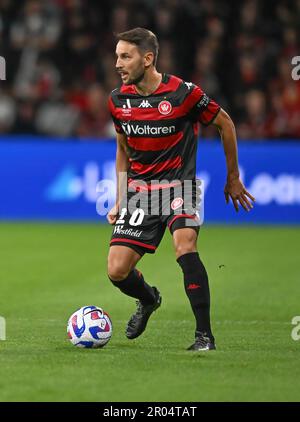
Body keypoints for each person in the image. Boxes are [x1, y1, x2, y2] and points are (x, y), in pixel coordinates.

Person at [107, 27, 255, 351]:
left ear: (148, 59)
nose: (118, 63)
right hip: (140, 192)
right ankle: (148, 300)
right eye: (117, 56)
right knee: (116, 270)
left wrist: (233, 177)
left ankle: (204, 336)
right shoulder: (118, 100)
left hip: (179, 185)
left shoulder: (183, 93)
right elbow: (122, 150)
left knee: (184, 245)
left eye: (125, 56)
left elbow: (225, 123)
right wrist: (120, 198)